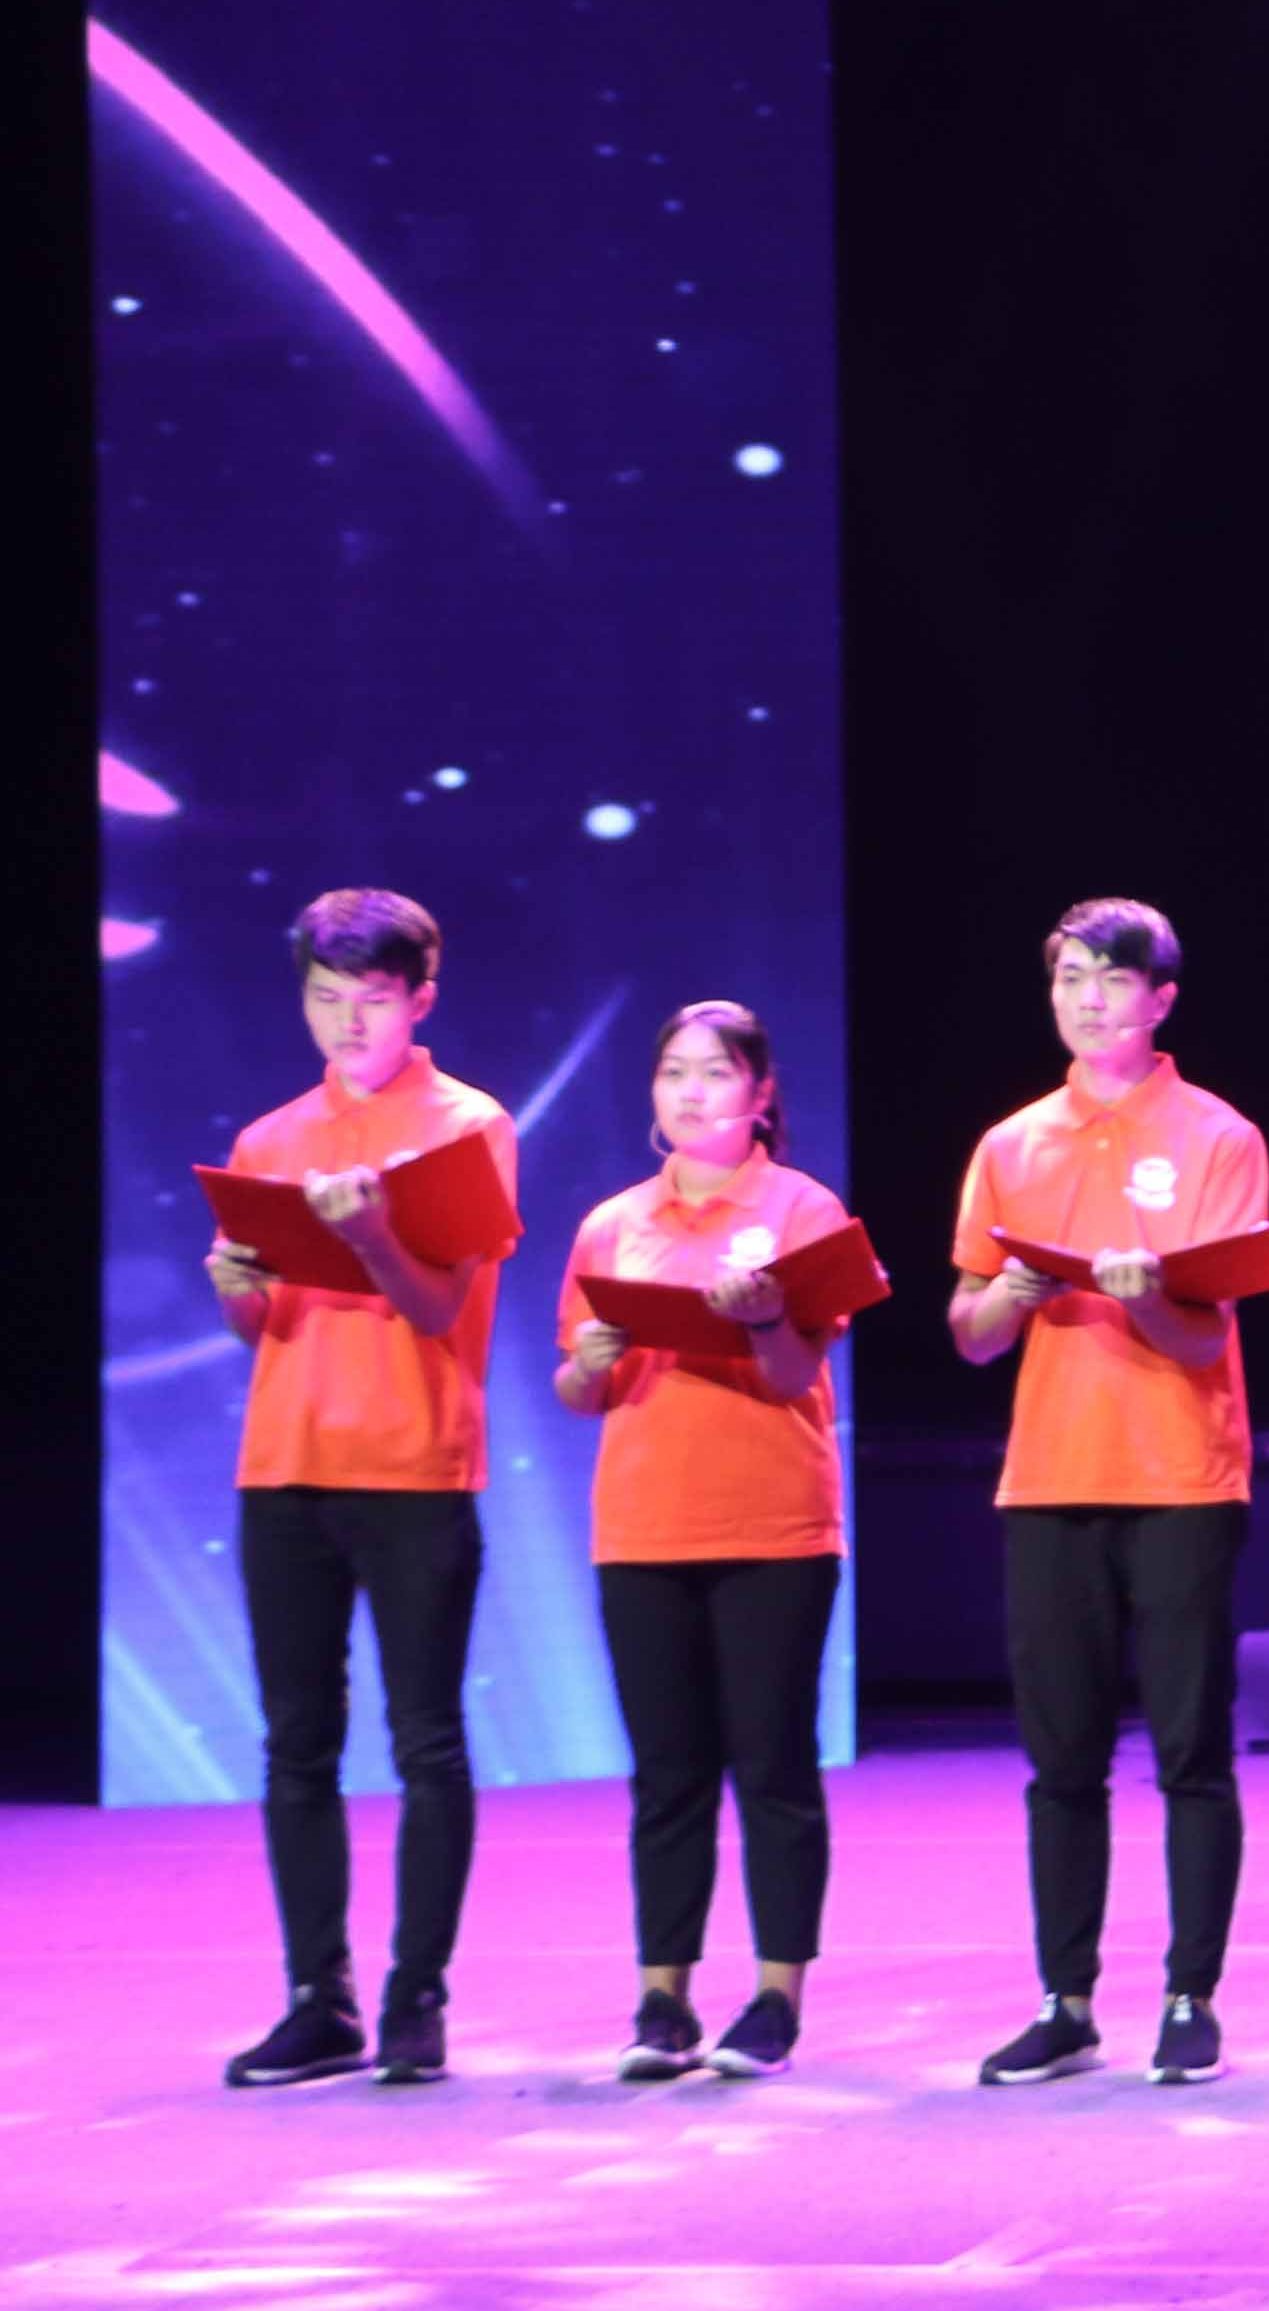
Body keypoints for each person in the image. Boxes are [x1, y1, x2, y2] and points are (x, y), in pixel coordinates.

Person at [945, 897, 1269, 2087]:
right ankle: (1065, 1999)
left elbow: (1205, 1333)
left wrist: (1146, 1298)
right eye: (1069, 978)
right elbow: (971, 1331)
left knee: (1189, 1749)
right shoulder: (1012, 1143)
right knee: (1062, 1758)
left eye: (1112, 979)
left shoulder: (1218, 1135)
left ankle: (1191, 1994)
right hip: (1049, 1476)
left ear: (1161, 999)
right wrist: (1009, 1296)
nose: (1088, 999)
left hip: (1181, 1473)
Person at [209, 889, 511, 2089]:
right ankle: (316, 1997)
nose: (348, 1021)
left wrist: (377, 1233)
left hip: (414, 1466)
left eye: (372, 999)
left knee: (425, 1739)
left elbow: (440, 1310)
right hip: (285, 1469)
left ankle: (415, 1995)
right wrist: (236, 1286)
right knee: (297, 1743)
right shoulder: (271, 1136)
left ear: (419, 999)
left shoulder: (467, 1126)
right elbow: (267, 1328)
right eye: (325, 997)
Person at [551, 1001, 855, 2083]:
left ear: (760, 1092)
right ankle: (662, 1999)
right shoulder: (612, 1223)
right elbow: (577, 1389)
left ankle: (775, 1999)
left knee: (772, 1766)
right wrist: (590, 1360)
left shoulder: (802, 1208)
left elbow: (795, 1372)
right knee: (667, 1774)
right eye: (673, 1071)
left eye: (716, 1072)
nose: (691, 1091)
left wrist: (766, 1316)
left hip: (773, 1523)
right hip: (642, 1526)